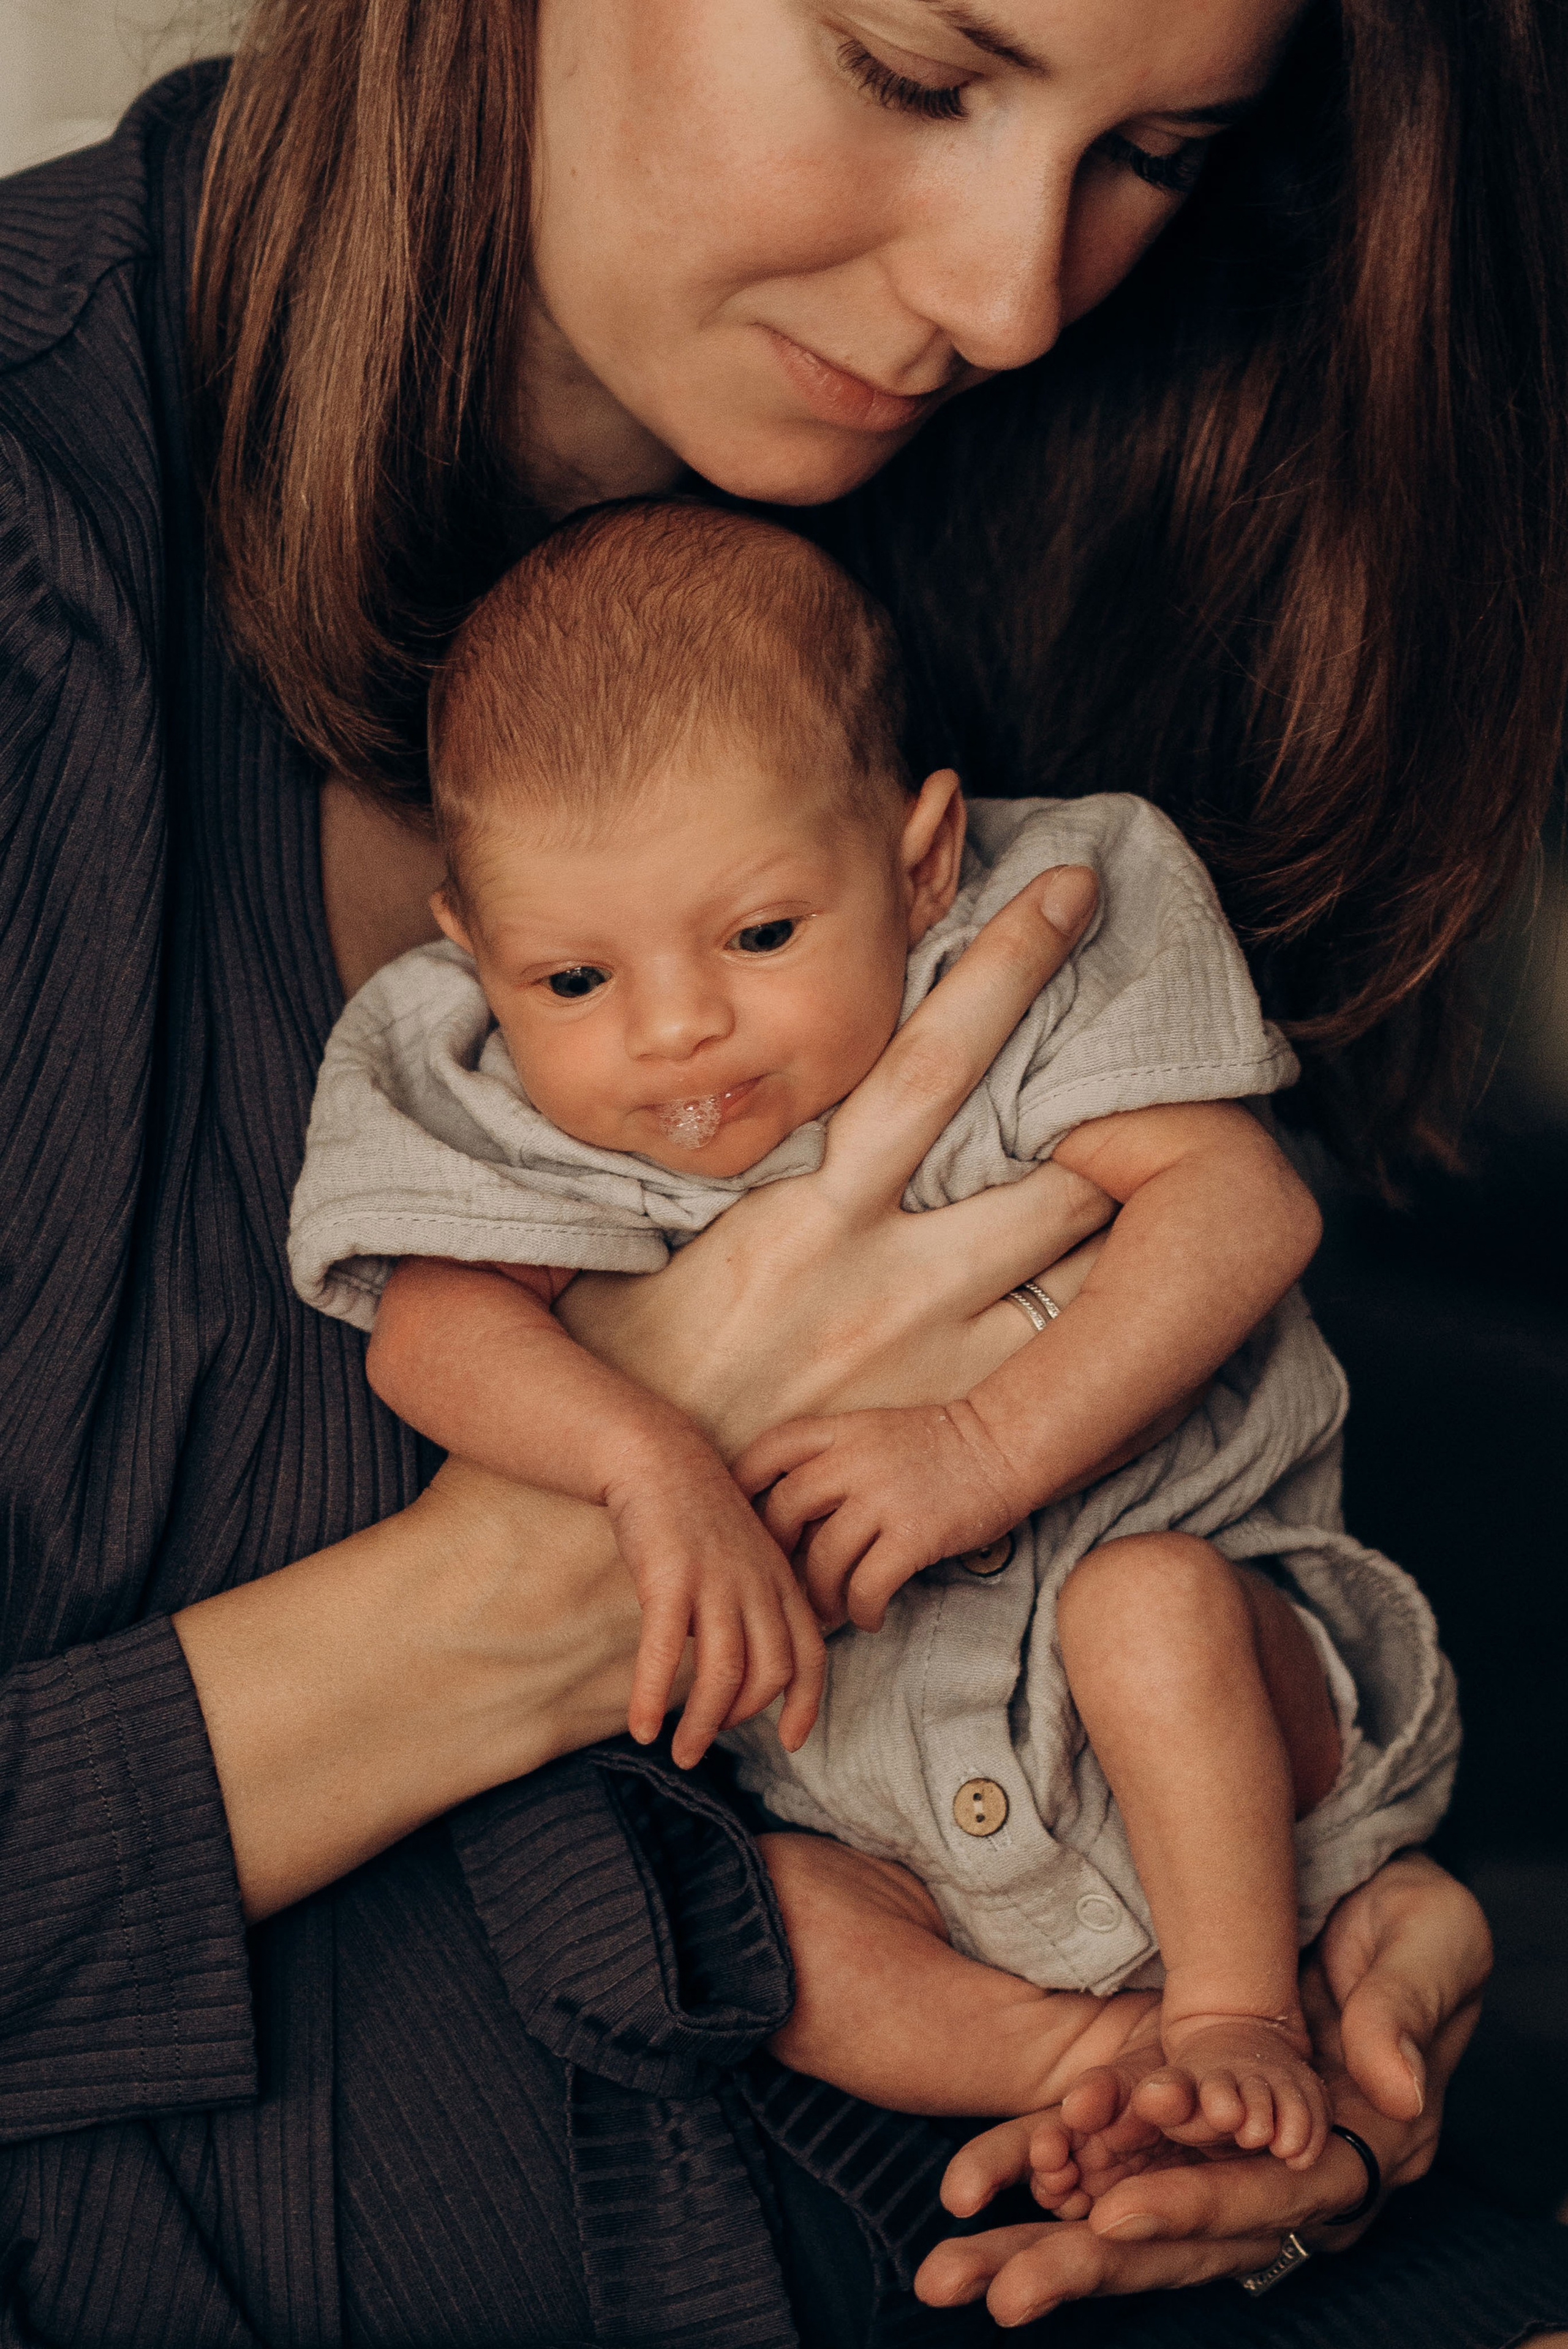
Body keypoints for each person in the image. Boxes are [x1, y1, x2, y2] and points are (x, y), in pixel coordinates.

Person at [2, 0, 1566, 2334]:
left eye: (1155, 150)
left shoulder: (1111, 483)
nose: (1015, 296)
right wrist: (540, 1572)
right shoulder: (56, 562)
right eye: (916, 73)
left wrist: (1326, 1969)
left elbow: (1229, 1444)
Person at [287, 494, 1455, 2189]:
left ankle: (1236, 2017)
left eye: (761, 934)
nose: (674, 1026)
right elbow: (430, 1332)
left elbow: (1239, 1212)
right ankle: (1091, 2064)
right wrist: (647, 1458)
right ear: (473, 949)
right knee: (747, 1927)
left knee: (1149, 1614)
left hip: (1231, 1727)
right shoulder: (466, 1070)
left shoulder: (1039, 921)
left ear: (915, 861)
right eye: (572, 980)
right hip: (882, 1818)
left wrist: (982, 1447)